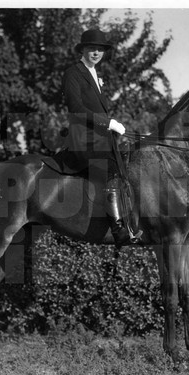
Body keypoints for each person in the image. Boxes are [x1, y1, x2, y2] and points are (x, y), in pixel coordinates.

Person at [62, 28, 142, 246]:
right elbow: (76, 109)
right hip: (82, 140)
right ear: (83, 50)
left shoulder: (96, 75)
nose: (96, 53)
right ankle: (118, 229)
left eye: (100, 50)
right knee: (109, 170)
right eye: (91, 49)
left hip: (101, 140)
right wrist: (108, 123)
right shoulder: (73, 73)